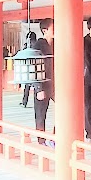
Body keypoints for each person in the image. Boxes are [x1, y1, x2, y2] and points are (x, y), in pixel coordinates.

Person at [34, 18, 54, 146]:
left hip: (55, 83)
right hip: (42, 83)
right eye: (53, 28)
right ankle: (41, 141)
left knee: (64, 109)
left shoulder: (57, 43)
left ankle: (54, 137)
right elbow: (34, 67)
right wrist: (38, 88)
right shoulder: (38, 46)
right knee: (41, 113)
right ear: (45, 31)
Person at [20, 30, 37, 107]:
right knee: (37, 87)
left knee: (27, 86)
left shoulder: (28, 45)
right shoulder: (37, 44)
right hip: (36, 68)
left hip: (30, 68)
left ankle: (24, 102)